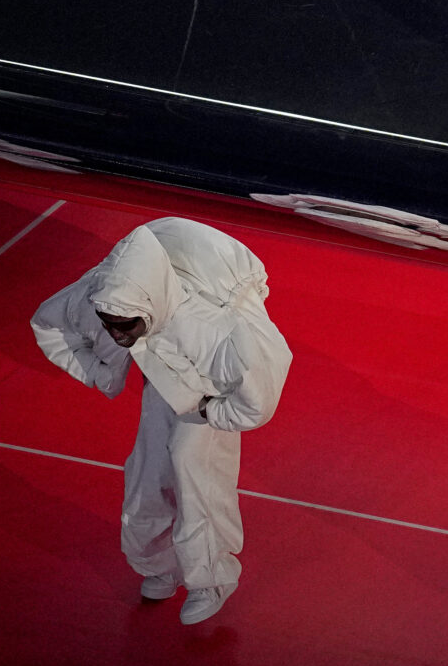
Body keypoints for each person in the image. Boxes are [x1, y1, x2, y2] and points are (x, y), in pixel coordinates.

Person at [31, 218, 292, 625]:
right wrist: (101, 372)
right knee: (148, 469)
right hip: (162, 360)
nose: (117, 336)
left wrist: (214, 411)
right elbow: (48, 326)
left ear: (148, 311)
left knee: (194, 468)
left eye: (125, 328)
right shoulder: (93, 297)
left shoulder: (214, 328)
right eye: (110, 327)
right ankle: (158, 566)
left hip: (208, 377)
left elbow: (260, 393)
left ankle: (211, 579)